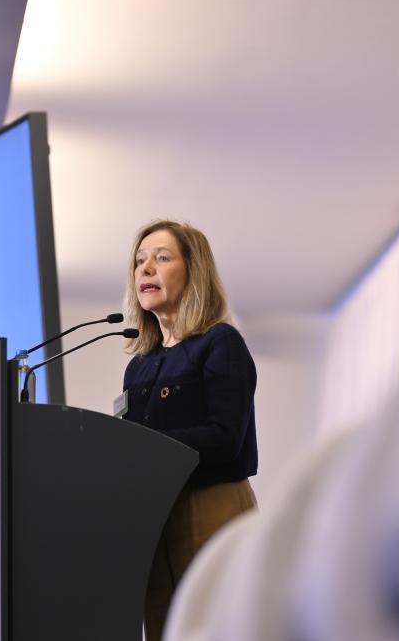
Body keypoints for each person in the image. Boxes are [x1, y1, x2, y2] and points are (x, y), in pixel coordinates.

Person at [121, 219, 258, 641]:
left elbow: (224, 437)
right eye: (140, 261)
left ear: (193, 270)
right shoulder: (138, 365)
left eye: (162, 258)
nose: (146, 269)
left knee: (215, 627)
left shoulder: (220, 343)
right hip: (155, 515)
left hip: (210, 502)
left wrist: (144, 447)